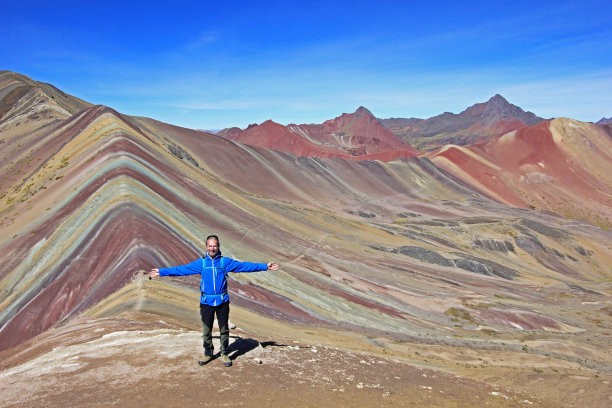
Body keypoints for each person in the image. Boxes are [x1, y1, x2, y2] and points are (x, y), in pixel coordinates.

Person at [149, 234, 279, 367]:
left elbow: (244, 266)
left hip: (222, 302)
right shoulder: (202, 263)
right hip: (206, 302)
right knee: (207, 330)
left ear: (218, 247)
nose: (212, 248)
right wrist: (161, 272)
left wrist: (265, 266)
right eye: (210, 246)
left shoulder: (225, 262)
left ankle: (224, 353)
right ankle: (208, 353)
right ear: (206, 247)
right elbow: (182, 269)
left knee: (224, 330)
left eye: (214, 246)